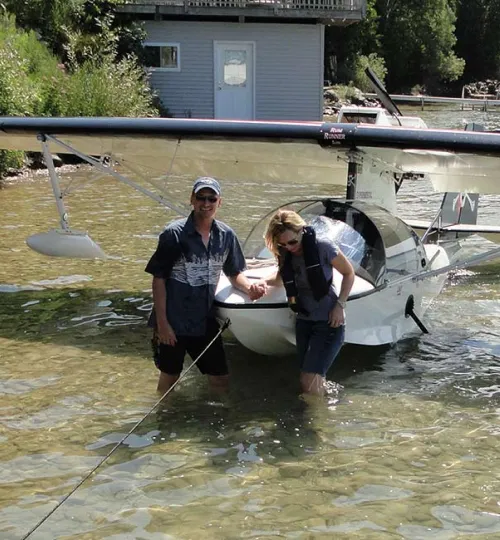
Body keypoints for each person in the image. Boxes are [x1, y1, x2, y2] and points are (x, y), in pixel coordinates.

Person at [145, 176, 265, 394]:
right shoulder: (173, 234)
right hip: (173, 320)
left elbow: (234, 272)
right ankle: (163, 419)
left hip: (204, 319)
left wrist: (250, 288)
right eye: (201, 197)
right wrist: (162, 325)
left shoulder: (227, 235)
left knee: (221, 378)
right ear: (192, 199)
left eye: (212, 198)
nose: (206, 203)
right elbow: (158, 279)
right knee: (170, 376)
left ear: (220, 202)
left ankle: (217, 420)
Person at [260, 209, 355, 396]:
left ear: (301, 230)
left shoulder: (323, 247)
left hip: (328, 321)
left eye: (293, 242)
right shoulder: (286, 253)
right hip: (304, 321)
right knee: (310, 378)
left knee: (308, 380)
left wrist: (340, 305)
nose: (289, 247)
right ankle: (324, 410)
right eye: (283, 244)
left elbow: (348, 273)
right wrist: (261, 282)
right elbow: (281, 278)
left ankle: (312, 423)